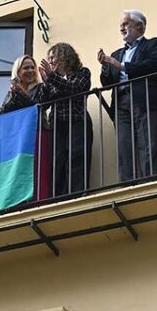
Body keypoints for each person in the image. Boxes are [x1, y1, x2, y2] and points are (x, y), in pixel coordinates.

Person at [98, 10, 157, 181]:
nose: (122, 27)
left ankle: (150, 185)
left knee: (148, 145)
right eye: (121, 24)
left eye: (126, 24)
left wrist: (122, 66)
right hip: (121, 104)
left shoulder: (154, 44)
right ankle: (127, 188)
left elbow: (154, 65)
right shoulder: (116, 54)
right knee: (124, 148)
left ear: (139, 26)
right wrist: (106, 66)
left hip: (145, 100)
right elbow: (107, 83)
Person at [41, 43, 93, 196]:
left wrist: (53, 79)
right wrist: (46, 84)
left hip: (77, 120)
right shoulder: (51, 81)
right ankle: (58, 198)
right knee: (57, 162)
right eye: (48, 58)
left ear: (65, 57)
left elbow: (76, 88)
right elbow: (43, 103)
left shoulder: (82, 73)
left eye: (53, 57)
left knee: (76, 157)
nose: (50, 62)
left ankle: (76, 195)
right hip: (57, 124)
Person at [2, 55, 52, 200]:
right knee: (21, 169)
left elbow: (38, 106)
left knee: (38, 168)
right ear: (18, 72)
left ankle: (39, 200)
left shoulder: (41, 87)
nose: (30, 71)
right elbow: (4, 111)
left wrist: (21, 93)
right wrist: (13, 95)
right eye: (26, 68)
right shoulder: (13, 91)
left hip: (38, 132)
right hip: (19, 137)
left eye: (32, 67)